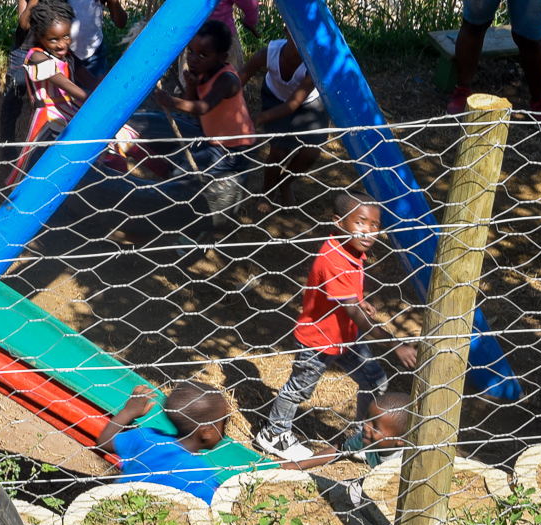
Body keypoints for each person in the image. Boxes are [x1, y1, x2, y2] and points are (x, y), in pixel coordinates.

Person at [258, 194, 418, 461]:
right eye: (360, 222)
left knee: (375, 381)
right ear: (339, 222)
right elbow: (354, 313)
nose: (367, 231)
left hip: (345, 336)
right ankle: (273, 433)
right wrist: (395, 344)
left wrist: (360, 300)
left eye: (375, 225)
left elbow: (347, 296)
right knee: (299, 388)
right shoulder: (333, 259)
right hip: (319, 340)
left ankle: (363, 438)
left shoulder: (352, 249)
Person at [93, 380, 235, 502]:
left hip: (113, 506)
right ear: (207, 432)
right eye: (223, 422)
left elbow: (104, 441)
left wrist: (128, 411)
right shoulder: (202, 476)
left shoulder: (146, 438)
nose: (224, 430)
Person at [242, 20, 330, 206]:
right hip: (275, 97)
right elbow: (240, 77)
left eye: (307, 36)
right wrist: (224, 97)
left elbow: (293, 105)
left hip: (308, 103)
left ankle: (286, 183)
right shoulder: (270, 52)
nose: (301, 39)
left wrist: (258, 118)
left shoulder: (314, 63)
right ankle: (267, 191)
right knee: (278, 151)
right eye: (295, 32)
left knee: (311, 153)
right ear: (286, 31)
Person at [0, 0, 72, 146]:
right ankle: (7, 144)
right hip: (25, 49)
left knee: (52, 98)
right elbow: (24, 23)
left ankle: (46, 143)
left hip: (54, 50)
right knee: (14, 95)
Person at [154, 20, 256, 176]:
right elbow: (192, 105)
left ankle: (201, 189)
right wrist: (191, 86)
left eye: (202, 55)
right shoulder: (203, 72)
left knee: (182, 171)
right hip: (213, 141)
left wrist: (172, 101)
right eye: (190, 51)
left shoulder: (227, 80)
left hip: (235, 150)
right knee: (176, 158)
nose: (193, 59)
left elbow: (203, 107)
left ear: (222, 57)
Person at [7, 0, 86, 187]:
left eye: (66, 37)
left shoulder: (68, 57)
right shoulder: (35, 57)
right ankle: (20, 198)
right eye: (53, 39)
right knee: (36, 165)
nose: (62, 44)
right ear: (38, 36)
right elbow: (60, 80)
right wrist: (90, 98)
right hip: (47, 119)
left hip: (68, 111)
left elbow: (89, 78)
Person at [341, 390, 412, 471]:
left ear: (401, 440)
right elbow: (342, 448)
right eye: (367, 418)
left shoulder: (405, 461)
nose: (366, 427)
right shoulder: (366, 440)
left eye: (375, 427)